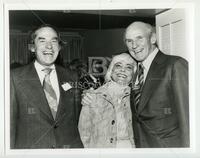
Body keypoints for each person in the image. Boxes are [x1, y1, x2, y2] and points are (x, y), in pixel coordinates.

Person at [82, 21, 189, 148]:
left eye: (139, 38)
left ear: (153, 38)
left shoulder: (174, 65)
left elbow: (188, 119)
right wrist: (88, 95)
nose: (134, 45)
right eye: (129, 41)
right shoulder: (135, 71)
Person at [10, 24, 83, 149]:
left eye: (54, 41)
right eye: (42, 40)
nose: (49, 46)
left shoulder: (72, 77)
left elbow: (76, 119)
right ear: (32, 47)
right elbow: (10, 125)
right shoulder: (15, 77)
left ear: (59, 47)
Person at [78, 53, 137, 148]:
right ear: (111, 69)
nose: (123, 70)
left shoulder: (138, 97)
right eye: (118, 65)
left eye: (128, 67)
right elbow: (84, 133)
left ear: (133, 74)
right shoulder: (93, 96)